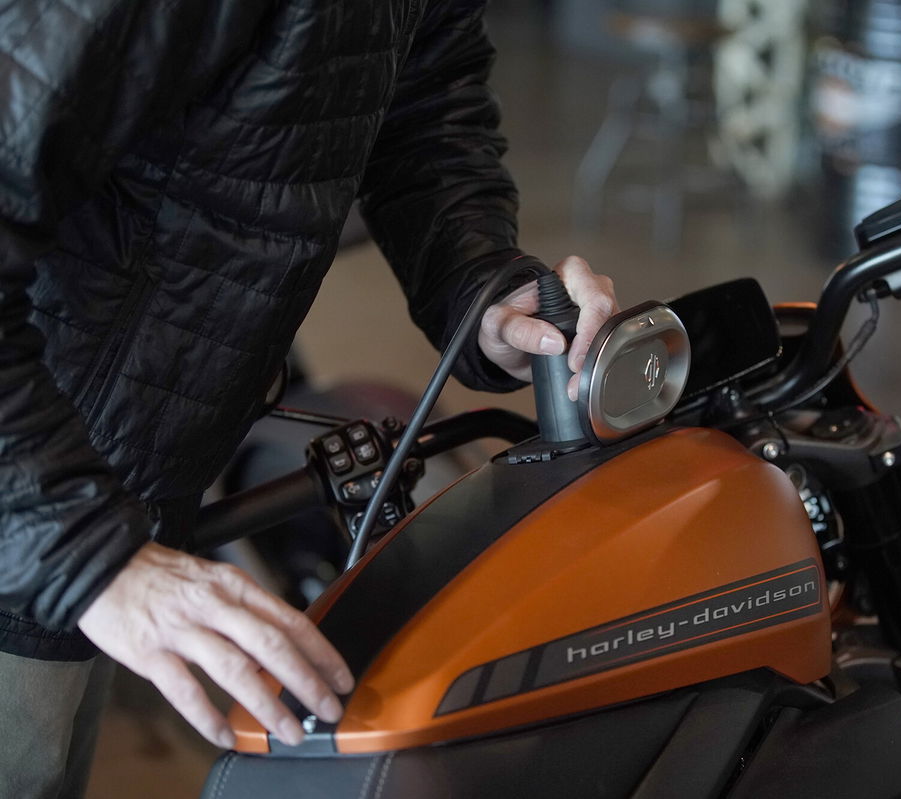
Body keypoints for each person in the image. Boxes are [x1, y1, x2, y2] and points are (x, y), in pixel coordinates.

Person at [0, 1, 617, 797]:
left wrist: (484, 288)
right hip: (30, 493)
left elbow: (426, 102)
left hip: (118, 476)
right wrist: (85, 554)